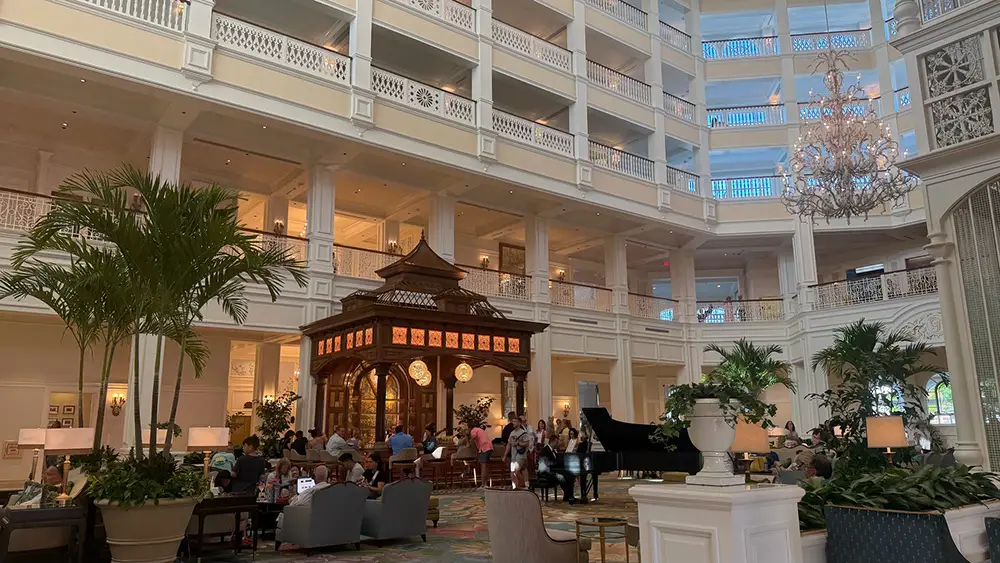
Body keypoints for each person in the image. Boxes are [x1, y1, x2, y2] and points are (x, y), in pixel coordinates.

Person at [538, 434, 576, 502]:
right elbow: (547, 464)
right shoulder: (544, 450)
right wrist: (557, 464)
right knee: (562, 477)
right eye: (557, 442)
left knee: (569, 475)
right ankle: (568, 496)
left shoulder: (554, 451)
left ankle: (569, 496)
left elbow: (557, 462)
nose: (557, 444)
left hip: (552, 470)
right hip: (545, 473)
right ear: (553, 441)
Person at [502, 417, 531, 489]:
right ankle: (515, 487)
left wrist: (518, 443)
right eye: (513, 421)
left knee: (516, 471)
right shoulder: (512, 433)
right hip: (513, 455)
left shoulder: (523, 433)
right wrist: (505, 456)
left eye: (515, 421)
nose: (513, 423)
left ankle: (523, 485)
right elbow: (509, 445)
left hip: (521, 454)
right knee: (512, 472)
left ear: (519, 423)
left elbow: (527, 443)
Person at [469, 423, 493, 487]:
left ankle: (483, 485)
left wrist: (469, 444)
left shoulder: (473, 430)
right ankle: (486, 484)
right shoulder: (480, 430)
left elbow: (473, 437)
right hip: (490, 447)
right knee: (486, 466)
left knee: (483, 467)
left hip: (484, 448)